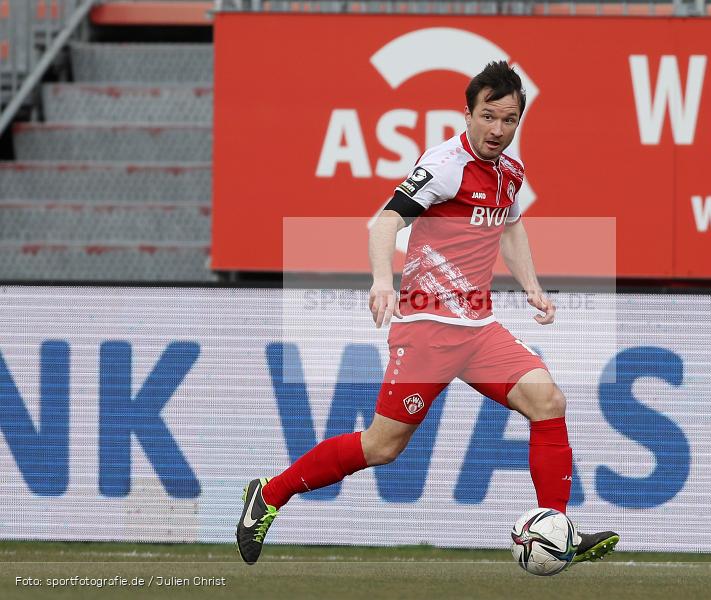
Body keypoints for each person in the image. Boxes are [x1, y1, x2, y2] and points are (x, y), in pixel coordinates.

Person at [237, 61, 618, 565]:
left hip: (479, 330)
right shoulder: (445, 165)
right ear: (468, 114)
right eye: (488, 117)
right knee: (381, 446)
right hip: (426, 330)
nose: (498, 130)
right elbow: (386, 222)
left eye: (509, 120)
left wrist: (532, 287)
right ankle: (270, 494)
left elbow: (510, 227)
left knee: (548, 401)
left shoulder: (510, 173)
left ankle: (557, 528)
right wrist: (381, 281)